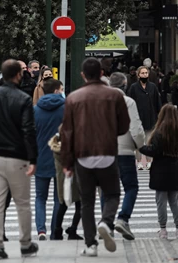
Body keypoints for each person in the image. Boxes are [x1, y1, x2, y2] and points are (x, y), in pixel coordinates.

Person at [61, 58, 130, 257]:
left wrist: (67, 162)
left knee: (87, 201)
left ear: (83, 75)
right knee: (112, 194)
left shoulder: (74, 98)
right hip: (107, 151)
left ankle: (90, 244)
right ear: (101, 73)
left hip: (83, 155)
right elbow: (124, 126)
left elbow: (67, 132)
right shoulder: (114, 95)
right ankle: (106, 222)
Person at [0, 59, 39, 260]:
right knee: (23, 203)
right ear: (18, 75)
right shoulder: (23, 99)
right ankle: (26, 243)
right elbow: (28, 130)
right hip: (17, 157)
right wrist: (33, 157)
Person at [109, 72, 145, 240]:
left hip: (105, 151)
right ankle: (123, 218)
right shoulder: (128, 102)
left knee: (107, 189)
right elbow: (136, 129)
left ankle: (106, 223)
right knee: (131, 187)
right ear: (124, 85)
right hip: (124, 151)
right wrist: (141, 146)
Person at [140, 104, 178, 239]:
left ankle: (163, 229)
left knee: (161, 200)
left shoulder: (160, 131)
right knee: (174, 200)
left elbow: (154, 151)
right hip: (173, 168)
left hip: (160, 169)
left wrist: (140, 148)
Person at [33, 78, 64, 241]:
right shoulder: (66, 108)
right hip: (60, 158)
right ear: (57, 90)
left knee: (40, 197)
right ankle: (55, 229)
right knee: (58, 198)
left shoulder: (36, 110)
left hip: (40, 157)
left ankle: (41, 230)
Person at [48, 125, 82, 241]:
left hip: (62, 181)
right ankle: (72, 230)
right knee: (80, 204)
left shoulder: (56, 148)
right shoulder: (72, 149)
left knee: (62, 205)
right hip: (76, 178)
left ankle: (57, 231)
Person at [128, 66, 162, 170]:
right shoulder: (133, 87)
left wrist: (159, 116)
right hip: (137, 118)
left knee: (149, 141)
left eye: (146, 73)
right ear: (138, 75)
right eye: (142, 73)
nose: (144, 75)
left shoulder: (153, 87)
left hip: (151, 118)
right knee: (138, 141)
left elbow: (158, 103)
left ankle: (149, 161)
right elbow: (130, 102)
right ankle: (138, 162)